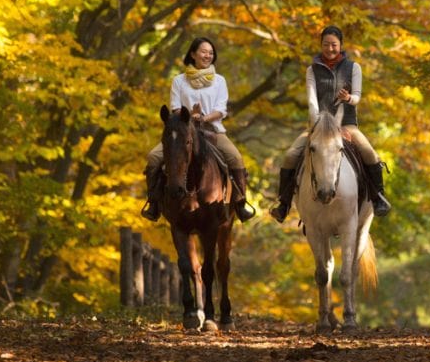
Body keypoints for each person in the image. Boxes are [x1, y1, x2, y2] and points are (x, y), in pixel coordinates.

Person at [270, 25, 391, 222]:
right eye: (326, 44)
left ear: (341, 45)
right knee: (291, 155)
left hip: (347, 125)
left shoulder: (354, 68)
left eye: (334, 45)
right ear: (321, 45)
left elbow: (358, 97)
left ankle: (378, 198)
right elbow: (311, 100)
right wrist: (317, 124)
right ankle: (283, 204)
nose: (330, 49)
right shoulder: (312, 69)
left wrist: (348, 98)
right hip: (318, 126)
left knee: (369, 152)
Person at [141, 37, 255, 223]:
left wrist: (202, 118)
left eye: (211, 53)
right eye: (204, 52)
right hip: (183, 131)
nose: (208, 55)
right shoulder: (179, 80)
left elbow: (221, 110)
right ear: (193, 54)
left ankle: (240, 203)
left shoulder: (219, 81)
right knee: (154, 157)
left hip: (213, 130)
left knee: (235, 157)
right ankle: (154, 203)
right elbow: (175, 107)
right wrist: (188, 118)